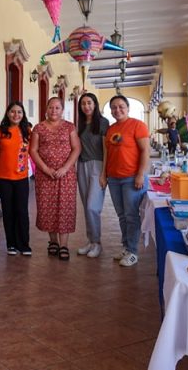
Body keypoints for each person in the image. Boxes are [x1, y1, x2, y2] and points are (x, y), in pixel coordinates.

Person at [29, 97, 80, 261]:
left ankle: (64, 244)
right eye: (51, 107)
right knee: (48, 206)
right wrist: (45, 169)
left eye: (57, 108)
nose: (54, 111)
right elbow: (33, 150)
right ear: (46, 109)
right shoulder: (38, 128)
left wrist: (65, 168)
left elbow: (76, 148)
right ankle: (53, 241)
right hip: (45, 175)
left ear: (62, 109)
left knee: (65, 207)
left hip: (66, 175)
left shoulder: (69, 127)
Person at [102, 95, 149, 267]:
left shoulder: (138, 125)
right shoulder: (111, 128)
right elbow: (107, 154)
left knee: (131, 215)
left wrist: (140, 174)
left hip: (131, 178)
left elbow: (145, 151)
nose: (117, 110)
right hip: (114, 178)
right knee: (122, 215)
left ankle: (133, 252)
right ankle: (126, 246)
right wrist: (104, 175)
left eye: (121, 106)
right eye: (114, 107)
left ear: (128, 108)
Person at [0, 101, 32, 256]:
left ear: (23, 115)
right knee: (8, 211)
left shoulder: (28, 131)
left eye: (19, 112)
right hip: (3, 178)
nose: (16, 115)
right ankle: (10, 244)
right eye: (12, 111)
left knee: (22, 211)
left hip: (22, 178)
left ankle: (24, 244)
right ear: (7, 113)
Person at [76, 93, 109, 258]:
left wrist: (104, 174)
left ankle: (97, 243)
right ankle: (91, 241)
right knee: (85, 206)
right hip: (81, 165)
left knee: (92, 207)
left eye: (89, 103)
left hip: (98, 165)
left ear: (95, 104)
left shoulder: (103, 123)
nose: (86, 106)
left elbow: (106, 149)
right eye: (83, 104)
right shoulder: (79, 124)